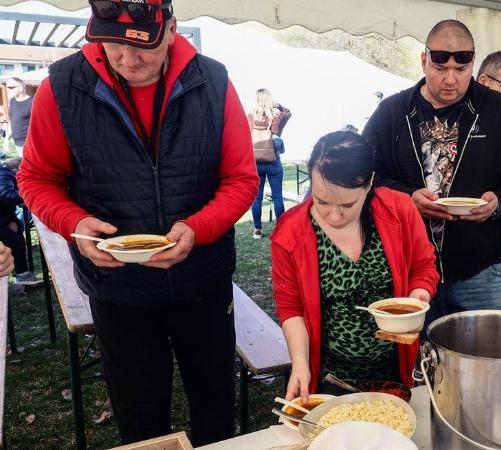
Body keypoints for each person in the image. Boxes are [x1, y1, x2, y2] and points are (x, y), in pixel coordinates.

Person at [16, 0, 259, 445]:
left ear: (171, 27)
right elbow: (35, 177)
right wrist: (74, 221)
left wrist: (199, 228)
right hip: (117, 290)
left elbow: (240, 179)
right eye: (112, 43)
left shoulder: (213, 79)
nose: (128, 59)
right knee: (140, 420)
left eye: (142, 46)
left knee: (215, 410)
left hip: (201, 282)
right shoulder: (63, 86)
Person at [363, 20, 501, 327]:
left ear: (472, 64)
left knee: (488, 359)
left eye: (461, 70)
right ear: (424, 60)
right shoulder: (393, 111)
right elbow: (365, 172)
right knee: (417, 362)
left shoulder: (497, 109)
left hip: (480, 268)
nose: (450, 80)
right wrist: (407, 198)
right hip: (409, 266)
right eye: (440, 69)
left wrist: (500, 200)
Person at [271, 131, 438, 400]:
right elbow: (291, 307)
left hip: (394, 372)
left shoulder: (400, 209)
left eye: (348, 204)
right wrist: (300, 364)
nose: (334, 215)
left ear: (370, 183)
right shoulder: (290, 233)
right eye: (322, 200)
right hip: (331, 377)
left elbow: (424, 267)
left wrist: (416, 300)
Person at [248, 88, 288, 238]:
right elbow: (288, 112)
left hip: (256, 163)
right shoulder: (276, 117)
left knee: (257, 197)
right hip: (274, 161)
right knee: (277, 197)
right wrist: (278, 105)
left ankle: (257, 230)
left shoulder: (251, 116)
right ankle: (281, 228)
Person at [0, 157, 41, 293]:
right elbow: (6, 196)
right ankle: (22, 280)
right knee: (16, 242)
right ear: (19, 167)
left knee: (16, 238)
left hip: (4, 217)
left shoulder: (4, 171)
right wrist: (31, 191)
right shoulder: (3, 173)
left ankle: (23, 277)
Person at [5, 77, 32, 157]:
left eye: (11, 87)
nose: (8, 90)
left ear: (21, 88)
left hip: (30, 145)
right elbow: (12, 121)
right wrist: (7, 138)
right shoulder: (12, 102)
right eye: (7, 88)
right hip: (18, 145)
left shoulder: (33, 102)